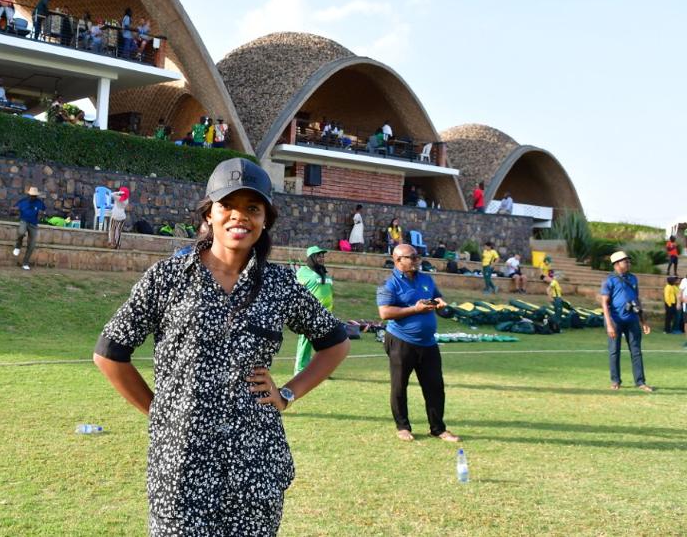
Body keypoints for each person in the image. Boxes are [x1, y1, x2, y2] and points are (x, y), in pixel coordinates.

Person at [93, 158, 350, 535]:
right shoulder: (168, 278)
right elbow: (110, 353)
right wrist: (160, 412)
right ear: (209, 214)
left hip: (255, 463)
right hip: (181, 466)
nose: (239, 217)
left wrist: (287, 394)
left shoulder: (279, 285)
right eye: (227, 205)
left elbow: (335, 343)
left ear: (265, 220)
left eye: (252, 208)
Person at [377, 243, 460, 443]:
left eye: (417, 256)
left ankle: (438, 428)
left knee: (435, 386)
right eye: (411, 257)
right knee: (399, 386)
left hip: (428, 343)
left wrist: (440, 304)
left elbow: (436, 297)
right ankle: (403, 427)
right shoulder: (389, 284)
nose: (416, 260)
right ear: (398, 260)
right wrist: (415, 310)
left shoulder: (426, 279)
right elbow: (385, 312)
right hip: (400, 341)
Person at [601, 250, 653, 392]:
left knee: (636, 351)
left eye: (629, 261)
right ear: (617, 264)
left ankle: (640, 382)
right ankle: (615, 381)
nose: (628, 263)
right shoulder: (609, 280)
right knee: (614, 351)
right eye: (625, 261)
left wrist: (643, 321)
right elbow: (604, 303)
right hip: (615, 320)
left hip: (632, 320)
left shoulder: (633, 278)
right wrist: (609, 324)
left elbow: (637, 300)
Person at [294, 245, 335, 375]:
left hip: (326, 314)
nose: (321, 258)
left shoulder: (323, 272)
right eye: (318, 255)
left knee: (326, 344)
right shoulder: (303, 272)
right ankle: (300, 370)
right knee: (305, 344)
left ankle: (323, 369)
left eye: (322, 256)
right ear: (311, 257)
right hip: (309, 314)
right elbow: (296, 291)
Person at [13, 186, 46, 271]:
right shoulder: (23, 201)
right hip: (24, 221)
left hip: (33, 224)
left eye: (34, 196)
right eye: (31, 195)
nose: (33, 197)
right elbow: (14, 207)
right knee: (21, 232)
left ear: (36, 196)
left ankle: (25, 263)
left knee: (32, 244)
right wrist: (15, 209)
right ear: (29, 195)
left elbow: (44, 211)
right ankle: (18, 246)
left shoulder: (39, 203)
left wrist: (42, 213)